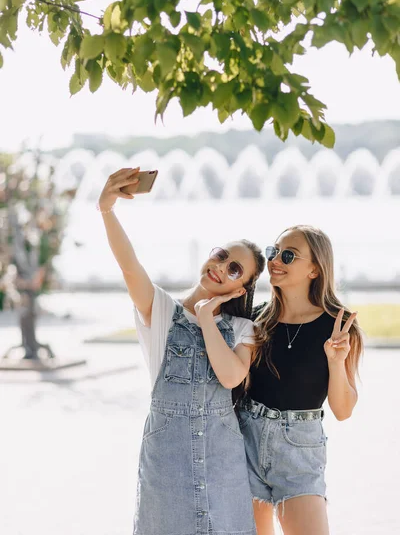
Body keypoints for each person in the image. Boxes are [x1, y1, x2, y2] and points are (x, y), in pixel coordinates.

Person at [97, 167, 266, 535]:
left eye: (234, 268)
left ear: (244, 288)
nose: (221, 267)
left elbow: (231, 376)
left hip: (224, 470)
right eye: (221, 255)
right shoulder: (161, 312)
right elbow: (130, 267)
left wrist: (207, 319)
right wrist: (107, 211)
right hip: (167, 468)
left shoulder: (243, 329)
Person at [235, 225, 364, 535]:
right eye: (274, 252)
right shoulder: (255, 318)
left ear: (314, 269)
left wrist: (336, 361)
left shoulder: (339, 327)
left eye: (288, 255)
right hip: (244, 442)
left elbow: (343, 410)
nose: (275, 260)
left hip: (298, 451)